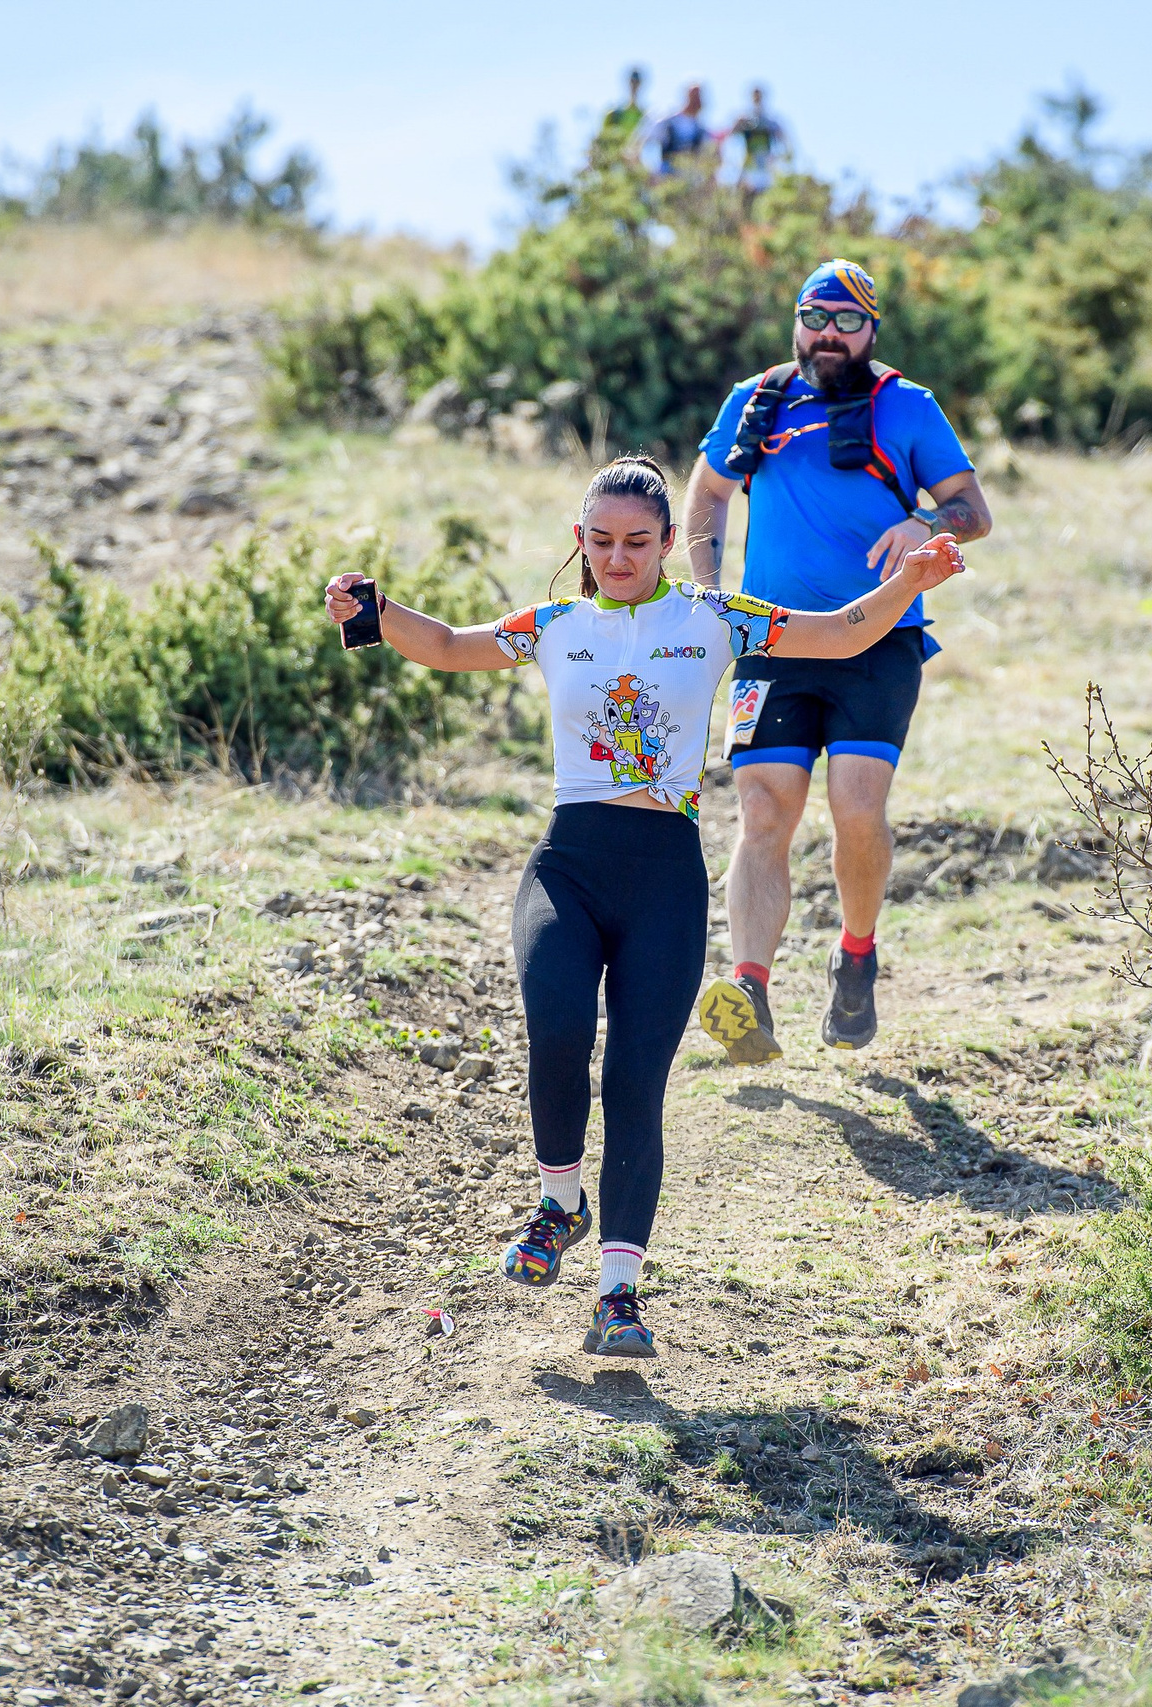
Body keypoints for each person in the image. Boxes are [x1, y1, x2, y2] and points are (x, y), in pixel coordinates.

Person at [322, 457, 967, 1355]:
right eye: (601, 541)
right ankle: (559, 1202)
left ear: (668, 541)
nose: (618, 558)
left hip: (665, 877)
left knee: (635, 1083)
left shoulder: (714, 618)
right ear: (579, 541)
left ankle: (618, 1296)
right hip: (569, 867)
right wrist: (375, 610)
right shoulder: (554, 625)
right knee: (555, 1026)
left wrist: (909, 581)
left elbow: (839, 634)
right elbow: (450, 645)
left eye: (636, 541)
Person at [681, 260, 995, 1063]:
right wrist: (710, 589)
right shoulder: (757, 399)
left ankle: (856, 953)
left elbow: (973, 509)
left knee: (857, 808)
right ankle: (750, 990)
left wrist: (927, 523)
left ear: (872, 330)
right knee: (763, 811)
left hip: (878, 639)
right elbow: (708, 492)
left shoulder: (908, 406)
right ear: (796, 321)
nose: (829, 334)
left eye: (848, 321)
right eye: (816, 317)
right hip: (773, 639)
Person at [729, 85, 789, 196]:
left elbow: (783, 140)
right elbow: (731, 134)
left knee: (767, 194)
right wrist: (738, 123)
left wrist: (779, 157)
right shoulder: (745, 119)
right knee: (742, 193)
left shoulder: (770, 121)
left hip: (765, 166)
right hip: (749, 164)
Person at [646, 83, 713, 178]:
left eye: (698, 96)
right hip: (666, 177)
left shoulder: (701, 131)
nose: (697, 100)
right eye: (694, 95)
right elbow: (644, 141)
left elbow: (710, 157)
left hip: (690, 179)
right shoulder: (667, 121)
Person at [597, 67, 648, 163]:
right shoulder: (613, 114)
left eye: (637, 82)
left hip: (634, 165)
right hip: (613, 163)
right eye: (632, 81)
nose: (634, 85)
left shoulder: (645, 116)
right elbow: (601, 140)